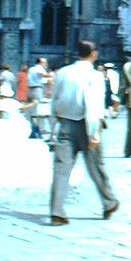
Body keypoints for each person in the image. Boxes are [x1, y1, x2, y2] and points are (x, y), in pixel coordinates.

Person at [49, 40, 119, 226]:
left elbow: (54, 99)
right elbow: (94, 104)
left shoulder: (63, 72)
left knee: (61, 169)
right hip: (86, 125)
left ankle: (57, 211)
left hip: (65, 124)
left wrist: (54, 123)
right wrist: (94, 133)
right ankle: (108, 201)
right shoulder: (94, 75)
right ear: (94, 53)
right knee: (96, 167)